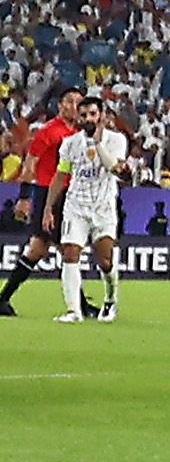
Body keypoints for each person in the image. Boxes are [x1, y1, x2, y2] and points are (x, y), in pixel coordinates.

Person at [46, 95, 127, 324]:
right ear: (79, 118)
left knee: (105, 261)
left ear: (101, 115)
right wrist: (48, 208)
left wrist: (98, 143)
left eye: (93, 113)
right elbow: (61, 175)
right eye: (84, 115)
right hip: (76, 206)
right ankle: (74, 311)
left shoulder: (116, 140)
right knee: (70, 253)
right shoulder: (70, 144)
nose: (88, 118)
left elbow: (115, 169)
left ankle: (110, 299)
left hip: (103, 207)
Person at [0, 86, 81, 316]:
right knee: (65, 247)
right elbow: (30, 164)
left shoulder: (78, 133)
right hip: (48, 193)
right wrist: (25, 197)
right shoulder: (49, 132)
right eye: (69, 101)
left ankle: (3, 298)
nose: (74, 106)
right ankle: (79, 305)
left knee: (41, 248)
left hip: (69, 195)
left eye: (78, 102)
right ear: (60, 105)